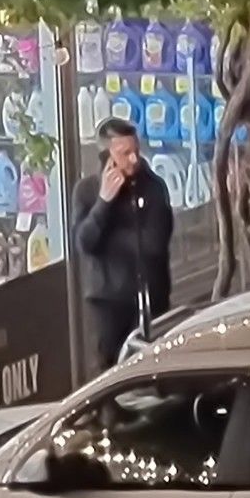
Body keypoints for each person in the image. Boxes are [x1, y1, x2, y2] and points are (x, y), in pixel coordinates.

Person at [72, 118, 174, 369]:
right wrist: (104, 204)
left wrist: (109, 242)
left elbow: (154, 243)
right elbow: (85, 243)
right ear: (107, 157)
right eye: (125, 154)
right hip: (108, 302)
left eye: (136, 151)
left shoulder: (152, 187)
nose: (133, 160)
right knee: (109, 371)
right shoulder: (87, 191)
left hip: (151, 298)